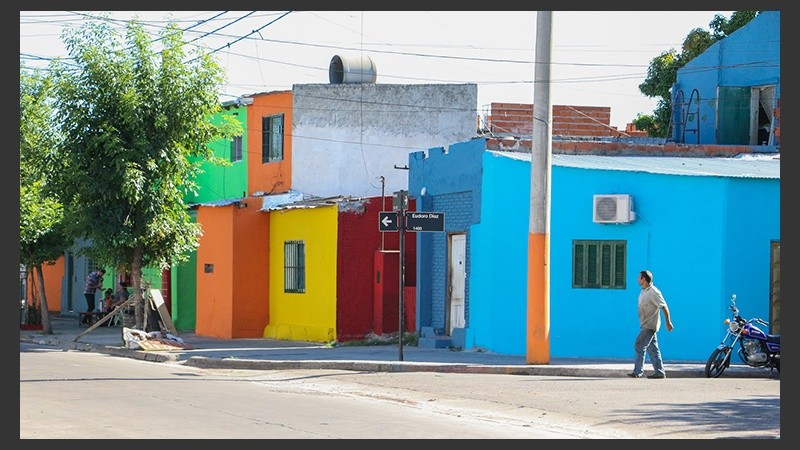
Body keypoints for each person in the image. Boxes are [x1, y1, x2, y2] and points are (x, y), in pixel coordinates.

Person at [628, 269, 674, 379]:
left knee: (639, 345)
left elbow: (664, 306)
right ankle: (660, 372)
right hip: (645, 323)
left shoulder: (654, 292)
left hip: (650, 325)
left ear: (643, 279)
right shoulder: (644, 290)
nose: (637, 279)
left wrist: (668, 322)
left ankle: (637, 372)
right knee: (653, 349)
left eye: (639, 277)